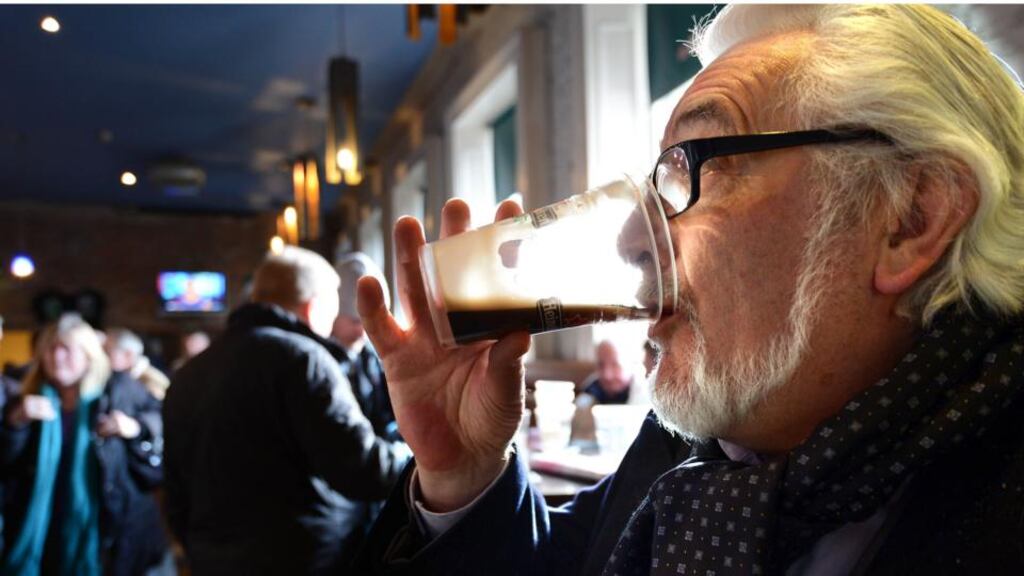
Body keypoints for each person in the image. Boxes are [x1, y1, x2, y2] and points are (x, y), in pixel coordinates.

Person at [352, 5, 1024, 575]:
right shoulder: (690, 442)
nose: (631, 243)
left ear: (911, 220)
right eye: (655, 187)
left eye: (695, 169)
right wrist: (463, 477)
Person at [163, 246, 410, 575]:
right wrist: (413, 453)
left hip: (212, 559)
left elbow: (175, 490)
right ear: (314, 305)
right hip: (303, 558)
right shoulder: (303, 359)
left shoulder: (189, 372)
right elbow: (361, 469)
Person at [0, 314, 166, 576]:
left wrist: (135, 427)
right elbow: (6, 464)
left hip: (107, 525)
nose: (57, 357)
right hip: (42, 524)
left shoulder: (118, 390)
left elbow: (161, 417)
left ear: (89, 354)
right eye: (50, 349)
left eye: (67, 349)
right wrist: (15, 423)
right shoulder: (22, 394)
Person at [333, 253, 400, 441]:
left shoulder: (372, 357)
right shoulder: (322, 362)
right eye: (355, 320)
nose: (363, 330)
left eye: (369, 322)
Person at [104, 328, 171, 401]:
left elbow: (157, 410)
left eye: (108, 351)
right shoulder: (118, 377)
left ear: (128, 354)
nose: (103, 356)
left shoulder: (150, 382)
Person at [577, 340, 636, 406]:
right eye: (601, 365)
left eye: (615, 364)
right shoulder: (592, 387)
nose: (607, 376)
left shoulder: (641, 389)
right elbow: (580, 406)